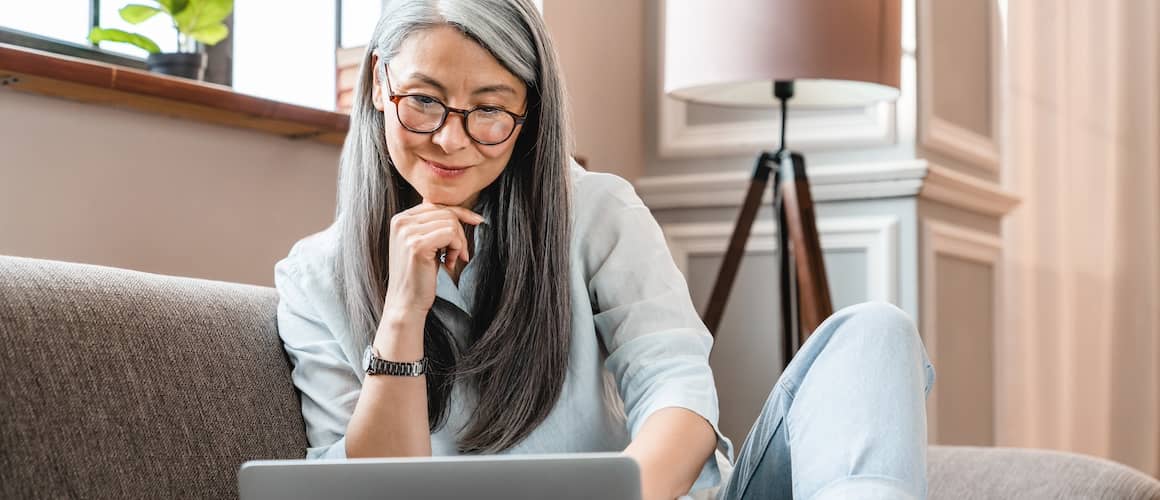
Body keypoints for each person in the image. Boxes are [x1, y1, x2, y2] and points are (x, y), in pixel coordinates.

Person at [273, 0, 936, 498]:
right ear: (377, 85)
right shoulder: (315, 279)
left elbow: (678, 393)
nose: (452, 139)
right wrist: (400, 321)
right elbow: (369, 494)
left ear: (529, 114)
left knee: (873, 331)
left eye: (490, 110)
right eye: (424, 101)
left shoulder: (596, 211)